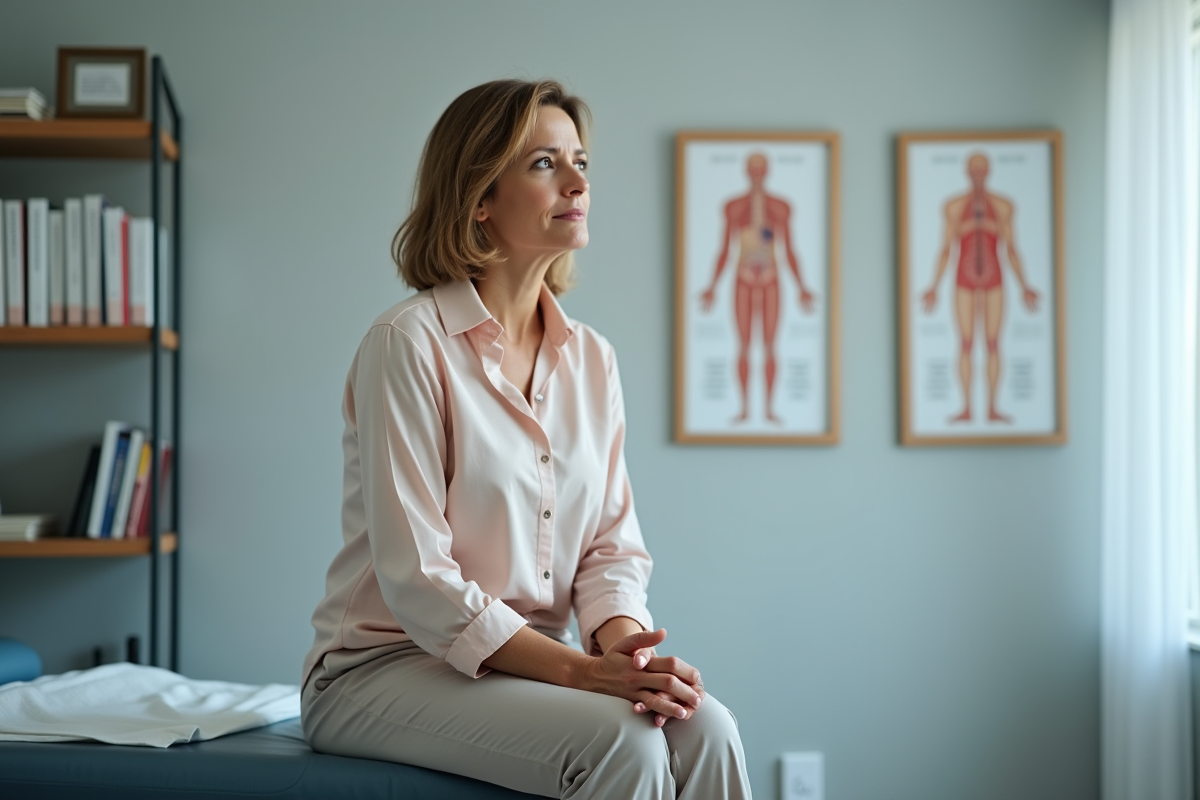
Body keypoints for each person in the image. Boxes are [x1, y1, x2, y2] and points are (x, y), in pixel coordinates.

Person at [300, 79, 752, 800]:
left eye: (580, 162)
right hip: (382, 670)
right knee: (624, 743)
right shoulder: (407, 344)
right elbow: (419, 579)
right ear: (479, 197)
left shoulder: (591, 358)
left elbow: (611, 546)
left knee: (709, 727)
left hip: (532, 665)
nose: (578, 181)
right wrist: (583, 674)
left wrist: (623, 651)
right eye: (545, 163)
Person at [920, 152, 1039, 423]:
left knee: (994, 343)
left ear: (989, 171)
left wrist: (1024, 285)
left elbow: (1012, 249)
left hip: (995, 279)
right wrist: (934, 286)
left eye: (982, 168)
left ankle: (992, 407)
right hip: (963, 280)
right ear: (965, 171)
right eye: (973, 168)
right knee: (965, 343)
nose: (977, 173)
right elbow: (944, 250)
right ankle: (966, 407)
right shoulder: (953, 207)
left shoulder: (1003, 206)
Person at [699, 152, 816, 424]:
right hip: (742, 280)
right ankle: (745, 409)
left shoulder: (781, 207)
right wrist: (712, 286)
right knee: (743, 345)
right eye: (752, 169)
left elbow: (790, 250)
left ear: (768, 172)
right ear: (745, 171)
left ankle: (768, 409)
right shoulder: (734, 207)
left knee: (771, 346)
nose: (756, 175)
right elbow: (724, 249)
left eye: (761, 169)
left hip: (772, 280)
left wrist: (802, 286)